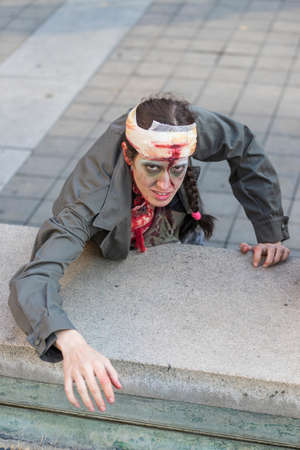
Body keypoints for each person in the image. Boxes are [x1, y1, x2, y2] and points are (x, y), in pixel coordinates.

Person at [8, 94, 290, 414]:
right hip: (125, 230)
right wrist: (70, 341)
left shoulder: (177, 126)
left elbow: (241, 142)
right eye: (152, 169)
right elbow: (33, 278)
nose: (165, 185)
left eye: (178, 170)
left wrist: (269, 233)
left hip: (176, 222)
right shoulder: (88, 197)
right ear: (129, 155)